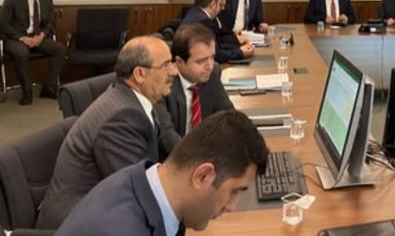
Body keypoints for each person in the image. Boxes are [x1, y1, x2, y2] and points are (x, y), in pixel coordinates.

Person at [37, 36, 181, 230]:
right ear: (139, 74)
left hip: (101, 209)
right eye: (166, 65)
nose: (174, 71)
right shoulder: (122, 118)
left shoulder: (130, 99)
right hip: (77, 224)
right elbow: (138, 192)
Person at [56, 110, 269, 236]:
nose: (232, 207)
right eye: (234, 191)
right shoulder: (123, 228)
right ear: (202, 176)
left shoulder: (143, 180)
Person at [0, 0, 66, 104]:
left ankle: (48, 87)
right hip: (16, 39)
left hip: (37, 37)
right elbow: (4, 25)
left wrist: (41, 36)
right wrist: (23, 38)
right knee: (22, 53)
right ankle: (27, 92)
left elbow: (50, 23)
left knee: (60, 49)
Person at [158, 24, 234, 137]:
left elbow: (229, 117)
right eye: (201, 61)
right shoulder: (162, 84)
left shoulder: (212, 73)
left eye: (212, 57)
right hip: (177, 147)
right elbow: (167, 135)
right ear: (180, 62)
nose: (209, 66)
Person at [181, 0, 254, 64]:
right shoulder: (204, 21)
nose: (222, 9)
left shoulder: (194, 13)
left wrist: (238, 47)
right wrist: (241, 52)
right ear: (213, 5)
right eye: (219, 5)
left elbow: (218, 43)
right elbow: (216, 55)